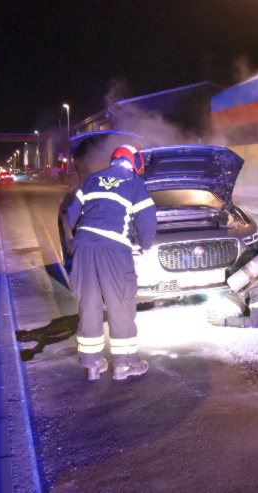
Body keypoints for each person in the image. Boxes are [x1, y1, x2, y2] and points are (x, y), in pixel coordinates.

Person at [65, 141, 156, 381]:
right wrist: (145, 245)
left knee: (89, 304)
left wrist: (85, 235)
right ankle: (124, 365)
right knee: (121, 305)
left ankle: (93, 364)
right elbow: (147, 218)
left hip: (84, 249)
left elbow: (71, 213)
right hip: (114, 251)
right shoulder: (134, 183)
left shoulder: (91, 180)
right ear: (134, 162)